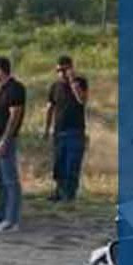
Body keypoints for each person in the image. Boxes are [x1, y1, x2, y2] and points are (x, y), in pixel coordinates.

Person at [0, 56, 25, 232]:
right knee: (0, 180)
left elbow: (14, 115)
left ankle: (11, 219)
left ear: (0, 70)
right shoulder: (1, 89)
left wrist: (5, 139)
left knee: (10, 180)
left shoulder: (16, 88)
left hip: (6, 138)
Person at [45, 55, 88, 202]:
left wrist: (73, 82)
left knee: (72, 165)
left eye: (64, 70)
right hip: (59, 131)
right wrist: (47, 129)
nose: (61, 74)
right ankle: (59, 191)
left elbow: (82, 100)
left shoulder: (80, 83)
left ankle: (69, 195)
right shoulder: (55, 87)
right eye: (58, 70)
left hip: (75, 131)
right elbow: (50, 108)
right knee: (59, 164)